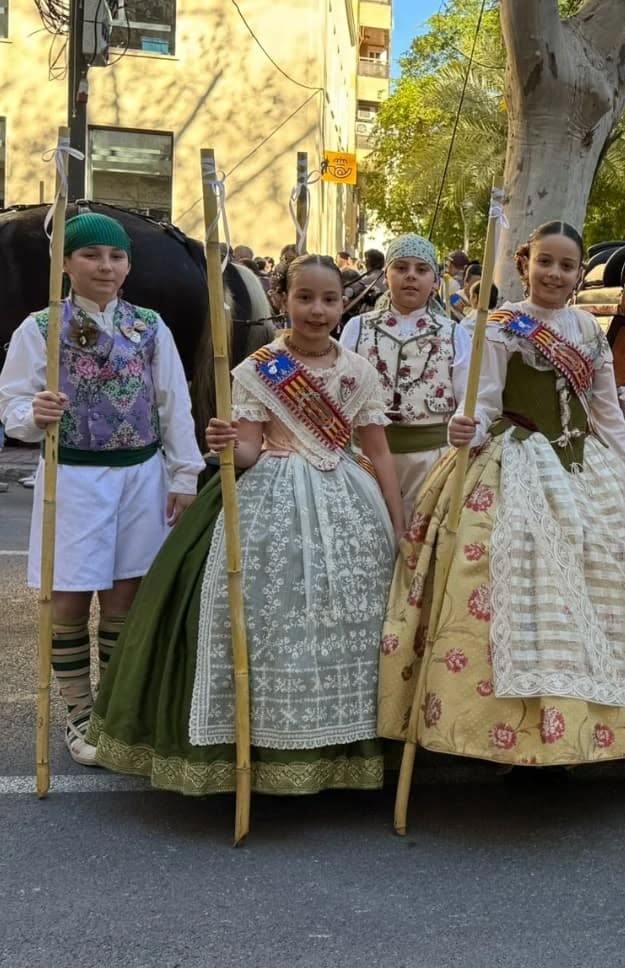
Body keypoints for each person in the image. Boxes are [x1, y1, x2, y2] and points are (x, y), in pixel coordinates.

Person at [88, 254, 405, 794]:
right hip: (273, 498)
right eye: (305, 297)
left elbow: (377, 452)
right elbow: (254, 450)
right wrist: (229, 445)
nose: (317, 309)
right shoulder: (260, 368)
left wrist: (400, 528)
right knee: (264, 618)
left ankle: (345, 748)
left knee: (351, 622)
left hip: (350, 500)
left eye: (329, 299)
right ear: (283, 299)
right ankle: (259, 751)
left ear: (342, 303)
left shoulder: (358, 371)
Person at [377, 221, 625, 768]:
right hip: (518, 464)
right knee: (520, 587)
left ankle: (586, 730)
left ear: (579, 273)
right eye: (545, 262)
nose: (555, 273)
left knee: (597, 586)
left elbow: (607, 414)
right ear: (525, 264)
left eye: (567, 265)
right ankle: (506, 736)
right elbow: (481, 403)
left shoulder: (589, 331)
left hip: (585, 468)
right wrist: (467, 428)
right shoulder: (498, 328)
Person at [0, 213, 205, 766]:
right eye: (91, 255)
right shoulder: (39, 329)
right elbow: (11, 401)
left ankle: (114, 709)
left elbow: (173, 404)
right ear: (65, 264)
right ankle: (77, 712)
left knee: (123, 598)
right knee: (69, 595)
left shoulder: (149, 326)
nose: (105, 266)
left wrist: (184, 475)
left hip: (141, 477)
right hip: (72, 478)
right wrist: (32, 412)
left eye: (115, 257)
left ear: (129, 266)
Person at [339, 233, 469, 517]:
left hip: (431, 460)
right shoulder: (357, 328)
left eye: (421, 270)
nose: (411, 276)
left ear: (435, 281)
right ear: (386, 276)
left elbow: (468, 395)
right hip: (366, 457)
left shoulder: (454, 333)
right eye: (401, 268)